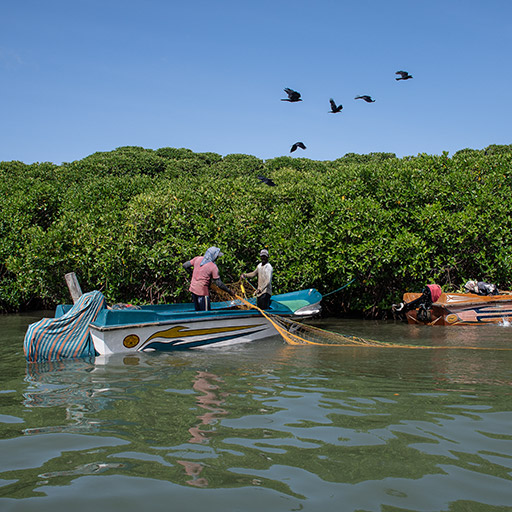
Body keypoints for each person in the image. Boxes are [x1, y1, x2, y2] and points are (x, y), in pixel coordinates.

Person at [182, 247, 235, 311]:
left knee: (198, 312)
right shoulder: (213, 267)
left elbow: (185, 265)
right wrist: (229, 291)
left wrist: (192, 274)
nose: (217, 258)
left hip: (193, 289)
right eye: (217, 256)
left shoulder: (197, 259)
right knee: (206, 313)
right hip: (202, 292)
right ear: (213, 256)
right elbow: (219, 283)